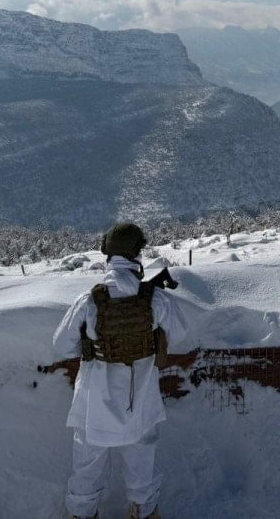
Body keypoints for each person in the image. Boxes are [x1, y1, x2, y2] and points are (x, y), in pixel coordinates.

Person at [53, 222, 190, 519]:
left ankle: (82, 513)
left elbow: (62, 346)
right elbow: (179, 334)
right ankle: (143, 511)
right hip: (141, 400)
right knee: (141, 463)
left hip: (94, 404)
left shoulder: (89, 301)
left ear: (108, 254)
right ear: (137, 254)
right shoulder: (155, 299)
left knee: (87, 466)